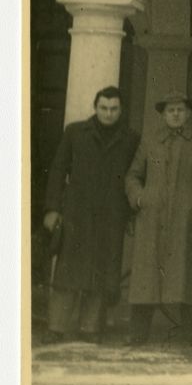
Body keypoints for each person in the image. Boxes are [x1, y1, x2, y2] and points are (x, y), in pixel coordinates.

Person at [41, 87, 141, 344]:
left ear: (121, 110)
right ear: (95, 108)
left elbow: (135, 177)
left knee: (103, 270)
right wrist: (52, 208)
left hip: (111, 214)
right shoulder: (75, 132)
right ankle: (57, 327)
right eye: (104, 108)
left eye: (114, 109)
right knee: (68, 270)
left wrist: (130, 213)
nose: (108, 114)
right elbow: (57, 169)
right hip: (77, 212)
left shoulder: (130, 139)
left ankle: (90, 328)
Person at [125, 92, 192, 345]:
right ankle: (138, 332)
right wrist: (139, 197)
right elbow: (133, 175)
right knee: (147, 275)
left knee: (188, 274)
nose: (176, 114)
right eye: (171, 110)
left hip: (187, 218)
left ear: (188, 113)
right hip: (152, 217)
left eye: (180, 109)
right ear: (163, 114)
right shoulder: (150, 140)